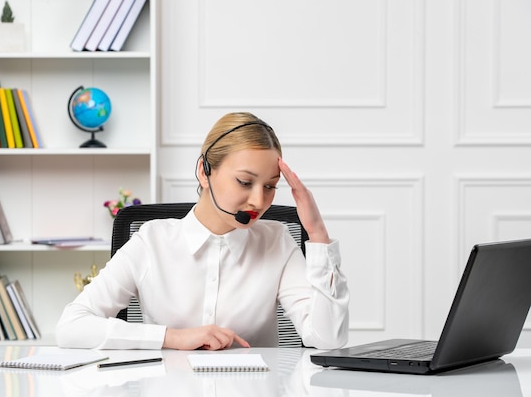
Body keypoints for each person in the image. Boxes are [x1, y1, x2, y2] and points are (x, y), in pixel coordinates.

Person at [55, 112, 349, 350]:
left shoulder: (277, 242)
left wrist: (318, 233)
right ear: (204, 171)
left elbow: (327, 340)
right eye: (245, 182)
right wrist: (173, 338)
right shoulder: (151, 241)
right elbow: (71, 327)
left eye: (270, 186)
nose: (259, 201)